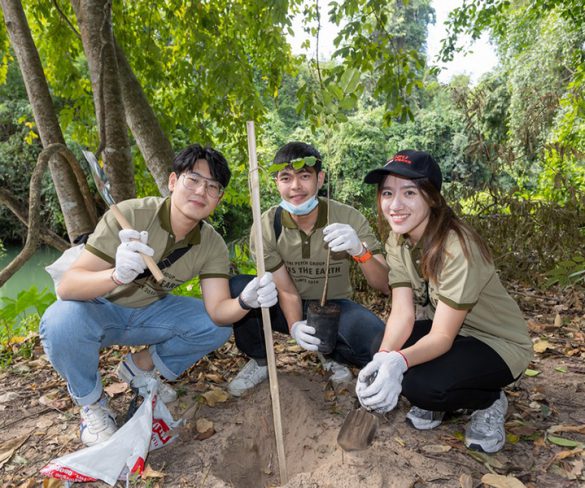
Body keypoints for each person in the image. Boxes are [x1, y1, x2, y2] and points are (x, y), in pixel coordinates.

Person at [40, 144, 277, 446]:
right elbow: (68, 287)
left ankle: (139, 368)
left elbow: (219, 310)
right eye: (193, 180)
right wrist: (116, 274)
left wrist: (246, 300)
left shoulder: (211, 244)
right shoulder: (130, 215)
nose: (201, 191)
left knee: (215, 326)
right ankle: (93, 403)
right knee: (61, 320)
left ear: (218, 198)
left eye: (212, 186)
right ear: (173, 182)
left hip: (149, 312)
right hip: (97, 309)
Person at [356, 149, 533, 453]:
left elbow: (441, 337)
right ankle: (447, 389)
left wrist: (399, 363)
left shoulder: (457, 247)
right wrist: (384, 358)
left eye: (409, 192)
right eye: (387, 192)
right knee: (378, 346)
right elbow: (402, 313)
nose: (395, 204)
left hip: (497, 344)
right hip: (455, 334)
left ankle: (488, 400)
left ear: (432, 198)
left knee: (423, 387)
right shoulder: (398, 241)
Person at [227, 141, 389, 397]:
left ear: (320, 178)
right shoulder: (267, 226)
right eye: (286, 178)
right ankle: (260, 360)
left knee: (376, 339)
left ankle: (330, 354)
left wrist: (361, 251)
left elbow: (385, 284)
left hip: (333, 307)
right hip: (284, 303)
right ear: (276, 183)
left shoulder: (348, 217)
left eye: (304, 176)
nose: (295, 187)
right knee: (239, 287)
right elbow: (286, 290)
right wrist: (294, 328)